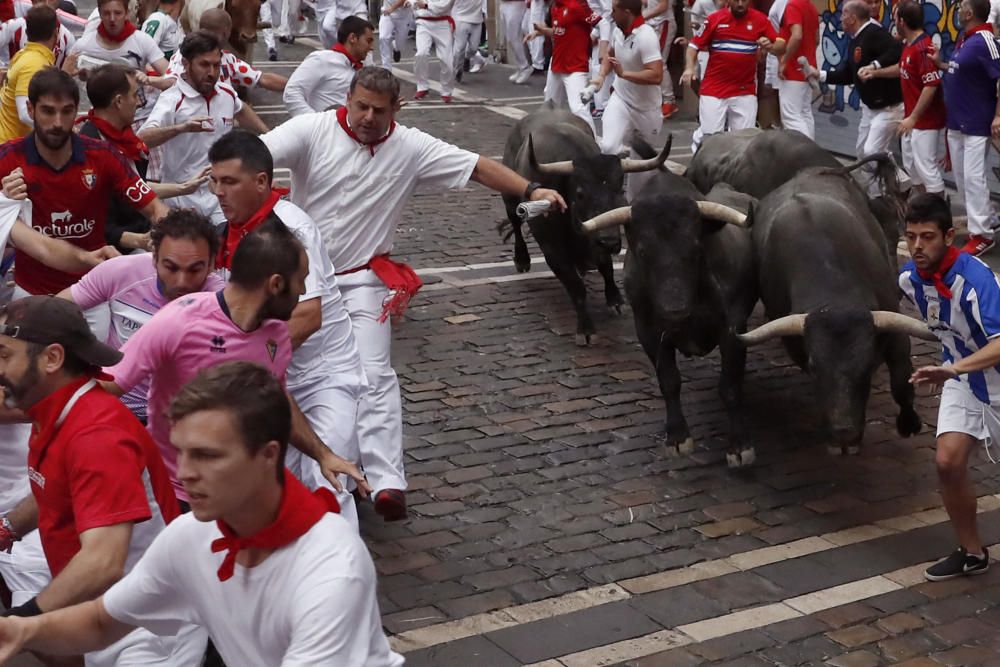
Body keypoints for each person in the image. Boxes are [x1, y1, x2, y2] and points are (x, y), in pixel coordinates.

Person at [261, 66, 565, 520]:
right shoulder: (312, 129)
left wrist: (531, 187)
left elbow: (477, 167)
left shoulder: (412, 146)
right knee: (306, 381)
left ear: (396, 110)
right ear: (347, 97)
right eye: (359, 105)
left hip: (365, 280)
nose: (366, 116)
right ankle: (322, 472)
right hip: (305, 290)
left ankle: (386, 483)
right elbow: (257, 156)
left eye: (378, 111)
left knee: (375, 374)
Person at [0, 361, 404, 666]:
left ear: (268, 456)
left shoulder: (332, 568)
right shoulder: (190, 536)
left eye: (207, 456)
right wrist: (24, 629)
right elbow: (103, 622)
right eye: (181, 452)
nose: (186, 473)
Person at [101, 219, 369, 505]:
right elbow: (107, 387)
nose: (303, 292)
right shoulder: (178, 321)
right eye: (300, 280)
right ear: (276, 284)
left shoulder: (276, 334)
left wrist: (323, 454)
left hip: (241, 494)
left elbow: (275, 399)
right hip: (176, 495)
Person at [0, 295, 182, 665]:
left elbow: (103, 562)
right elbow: (62, 487)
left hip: (147, 630)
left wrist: (25, 621)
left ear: (52, 358)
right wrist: (6, 528)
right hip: (101, 615)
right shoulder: (56, 410)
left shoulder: (97, 436)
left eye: (4, 356)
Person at [209, 131, 367, 526]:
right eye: (214, 181)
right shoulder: (222, 226)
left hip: (321, 379)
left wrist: (243, 362)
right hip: (271, 381)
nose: (218, 192)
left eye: (229, 182)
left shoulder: (291, 230)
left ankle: (337, 572)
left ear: (261, 182)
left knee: (324, 480)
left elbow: (308, 316)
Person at [0, 68, 167, 310]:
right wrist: (5, 199)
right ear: (30, 109)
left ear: (77, 110)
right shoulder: (7, 158)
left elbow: (154, 207)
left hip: (91, 290)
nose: (58, 123)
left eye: (67, 111)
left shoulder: (103, 155)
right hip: (31, 293)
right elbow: (36, 246)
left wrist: (171, 240)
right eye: (48, 111)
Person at [901, 193, 1000, 581]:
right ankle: (972, 552)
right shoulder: (909, 280)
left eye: (927, 237)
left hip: (982, 371)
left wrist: (953, 367)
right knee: (947, 462)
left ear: (949, 236)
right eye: (910, 237)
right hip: (960, 376)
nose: (917, 246)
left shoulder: (977, 281)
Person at [58, 210, 226, 425]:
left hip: (182, 419)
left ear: (212, 264)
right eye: (171, 267)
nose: (182, 281)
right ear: (154, 258)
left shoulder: (221, 302)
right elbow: (53, 312)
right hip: (118, 406)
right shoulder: (121, 272)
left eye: (195, 270)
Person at [140, 31, 268, 229]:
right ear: (185, 63)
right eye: (204, 65)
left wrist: (268, 135)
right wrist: (181, 128)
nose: (212, 72)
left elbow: (241, 110)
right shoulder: (172, 99)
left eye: (216, 65)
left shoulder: (226, 93)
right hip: (181, 200)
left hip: (220, 198)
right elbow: (143, 138)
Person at [78, 64, 211, 253]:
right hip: (114, 253)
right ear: (118, 101)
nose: (139, 103)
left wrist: (184, 188)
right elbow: (94, 221)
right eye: (134, 95)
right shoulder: (91, 149)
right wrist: (140, 241)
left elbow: (135, 187)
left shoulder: (124, 139)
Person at [802, 0, 904, 197]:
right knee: (861, 153)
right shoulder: (855, 39)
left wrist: (874, 66)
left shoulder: (874, 32)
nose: (839, 18)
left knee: (872, 150)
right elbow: (848, 74)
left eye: (843, 15)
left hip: (889, 108)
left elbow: (897, 51)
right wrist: (820, 75)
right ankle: (877, 195)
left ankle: (898, 182)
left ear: (852, 18)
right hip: (870, 109)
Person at [935, 0, 1000, 256]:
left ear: (970, 13)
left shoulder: (985, 40)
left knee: (973, 178)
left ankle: (983, 234)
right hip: (957, 124)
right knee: (962, 179)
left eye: (961, 6)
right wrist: (940, 63)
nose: (958, 10)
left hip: (975, 123)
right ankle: (986, 217)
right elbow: (960, 72)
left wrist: (997, 115)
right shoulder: (965, 39)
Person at [863, 0, 945, 195]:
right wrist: (875, 73)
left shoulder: (923, 48)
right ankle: (924, 207)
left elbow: (931, 85)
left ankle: (939, 216)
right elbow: (902, 69)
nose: (893, 22)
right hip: (912, 122)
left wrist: (913, 118)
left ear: (902, 21)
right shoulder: (909, 45)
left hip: (925, 122)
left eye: (895, 18)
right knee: (914, 170)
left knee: (927, 171)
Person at [681, 0, 783, 146]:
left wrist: (771, 46)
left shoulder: (760, 20)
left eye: (744, 0)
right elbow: (693, 46)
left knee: (744, 142)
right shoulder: (714, 19)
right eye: (736, 0)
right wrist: (689, 67)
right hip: (714, 90)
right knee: (710, 140)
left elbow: (781, 45)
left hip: (744, 91)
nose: (740, 4)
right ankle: (699, 153)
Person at [590, 0, 663, 165]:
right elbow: (611, 53)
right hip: (621, 100)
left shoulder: (646, 36)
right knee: (608, 148)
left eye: (614, 10)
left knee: (643, 163)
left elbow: (657, 75)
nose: (611, 14)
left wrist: (624, 74)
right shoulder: (618, 31)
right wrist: (601, 76)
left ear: (627, 12)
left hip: (647, 108)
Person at [526, 0, 603, 135]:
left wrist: (603, 43)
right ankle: (550, 140)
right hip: (556, 64)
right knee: (550, 106)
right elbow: (558, 31)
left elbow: (603, 23)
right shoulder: (554, 7)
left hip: (576, 66)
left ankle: (593, 143)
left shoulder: (577, 5)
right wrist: (540, 32)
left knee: (578, 109)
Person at [168, 9, 288, 93]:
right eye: (204, 64)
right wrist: (296, 85)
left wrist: (295, 86)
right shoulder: (227, 60)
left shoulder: (180, 56)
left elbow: (260, 78)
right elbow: (262, 79)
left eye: (215, 65)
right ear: (226, 32)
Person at [284, 15, 374, 116]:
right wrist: (315, 123)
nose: (372, 47)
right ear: (352, 38)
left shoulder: (363, 68)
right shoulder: (322, 59)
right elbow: (291, 93)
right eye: (368, 41)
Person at [65, 0, 168, 80]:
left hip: (138, 106)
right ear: (100, 14)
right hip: (101, 106)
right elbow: (62, 78)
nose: (112, 19)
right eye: (106, 13)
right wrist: (67, 74)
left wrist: (149, 80)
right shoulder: (83, 45)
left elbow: (170, 76)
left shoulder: (143, 40)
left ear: (127, 13)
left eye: (118, 13)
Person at [0, 6, 58, 142]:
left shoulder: (22, 55)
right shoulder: (34, 63)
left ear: (27, 31)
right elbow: (25, 114)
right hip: (9, 147)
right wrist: (58, 131)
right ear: (56, 34)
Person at [776, 0, 819, 138]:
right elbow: (817, 39)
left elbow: (797, 35)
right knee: (805, 113)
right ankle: (810, 153)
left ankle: (802, 155)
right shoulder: (811, 7)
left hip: (794, 69)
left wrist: (784, 61)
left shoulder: (793, 5)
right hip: (808, 67)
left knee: (791, 116)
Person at [0, 0, 75, 68]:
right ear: (33, 2)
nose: (46, 3)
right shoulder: (13, 26)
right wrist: (3, 69)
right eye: (40, 0)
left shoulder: (67, 37)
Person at [406, 0, 455, 102]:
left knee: (447, 60)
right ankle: (422, 86)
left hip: (442, 23)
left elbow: (444, 5)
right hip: (423, 23)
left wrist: (426, 5)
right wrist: (410, 2)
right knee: (421, 53)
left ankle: (446, 90)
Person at [643, 0, 676, 117]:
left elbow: (663, 5)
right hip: (651, 24)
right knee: (648, 62)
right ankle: (656, 100)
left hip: (662, 22)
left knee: (659, 63)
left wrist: (642, 16)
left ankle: (669, 101)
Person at [451, 0, 487, 81]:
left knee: (474, 48)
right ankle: (458, 71)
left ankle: (466, 59)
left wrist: (485, 18)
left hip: (477, 21)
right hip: (460, 19)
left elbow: (485, 6)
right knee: (460, 47)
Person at [501, 0, 532, 84]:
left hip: (517, 3)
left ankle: (525, 67)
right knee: (509, 38)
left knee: (514, 37)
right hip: (504, 3)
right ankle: (520, 67)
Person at [378, 0, 411, 69]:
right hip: (387, 14)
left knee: (400, 45)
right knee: (383, 38)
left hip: (403, 17)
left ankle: (396, 48)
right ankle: (386, 68)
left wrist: (392, 9)